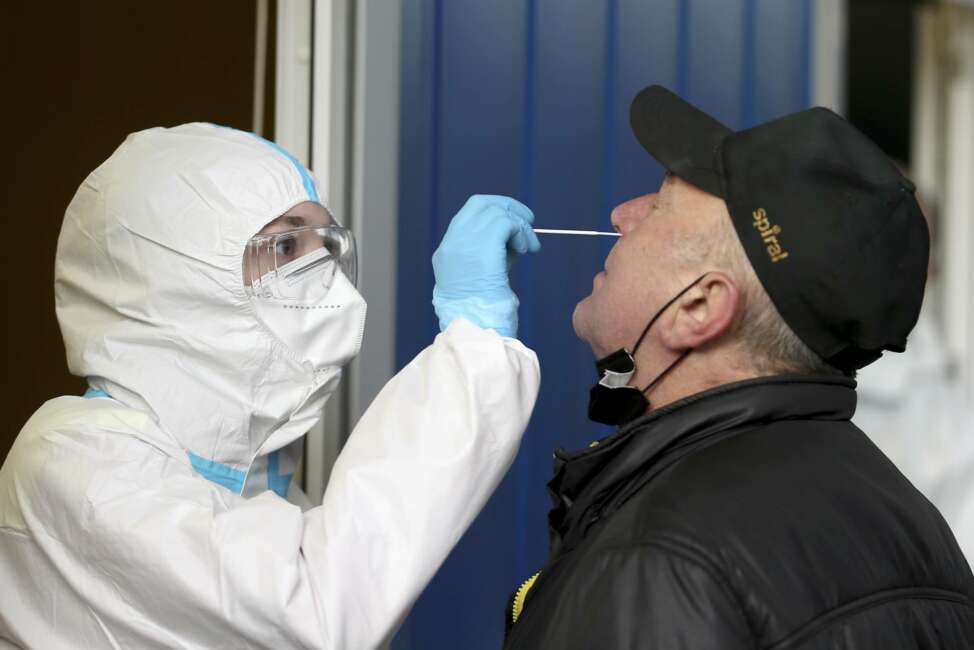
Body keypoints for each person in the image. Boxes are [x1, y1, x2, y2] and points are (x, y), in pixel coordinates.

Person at [0, 123, 540, 649]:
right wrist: (476, 344)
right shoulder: (75, 462)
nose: (320, 272)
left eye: (325, 246)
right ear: (172, 274)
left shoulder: (260, 484)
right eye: (284, 248)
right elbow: (318, 613)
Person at [501, 86, 974, 649]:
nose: (622, 215)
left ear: (699, 309)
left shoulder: (662, 561)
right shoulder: (919, 533)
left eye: (659, 203)